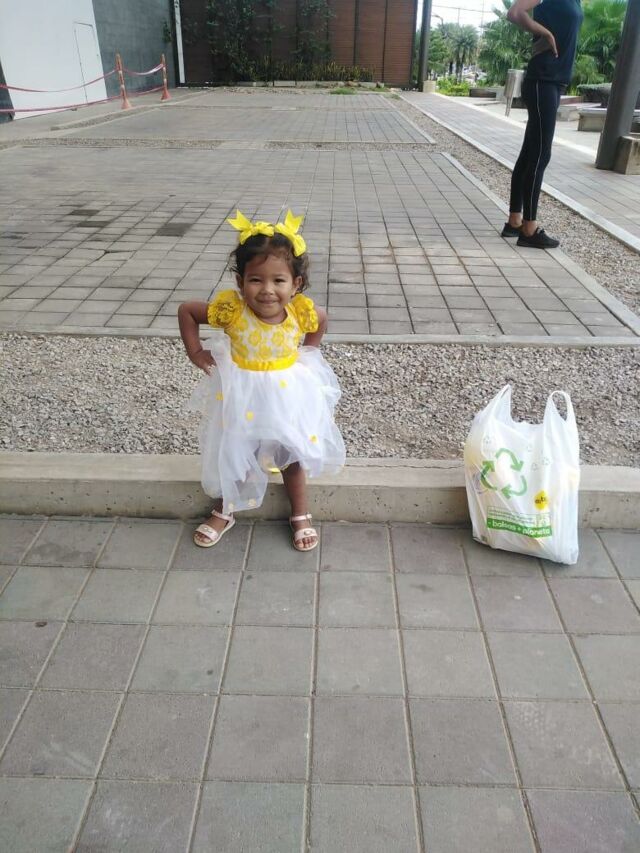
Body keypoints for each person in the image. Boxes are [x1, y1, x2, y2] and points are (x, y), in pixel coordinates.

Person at [178, 209, 345, 552]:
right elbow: (188, 311)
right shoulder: (233, 312)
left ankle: (300, 514)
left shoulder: (299, 312)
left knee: (291, 453)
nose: (267, 290)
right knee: (239, 450)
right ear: (240, 282)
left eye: (278, 280)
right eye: (256, 280)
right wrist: (195, 352)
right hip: (244, 394)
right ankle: (225, 510)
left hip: (287, 395)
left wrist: (309, 352)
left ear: (296, 284)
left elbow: (321, 320)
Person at [502, 0, 583, 248]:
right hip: (542, 80)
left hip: (554, 81)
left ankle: (514, 221)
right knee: (540, 155)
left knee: (529, 154)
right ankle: (529, 229)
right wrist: (544, 32)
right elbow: (515, 13)